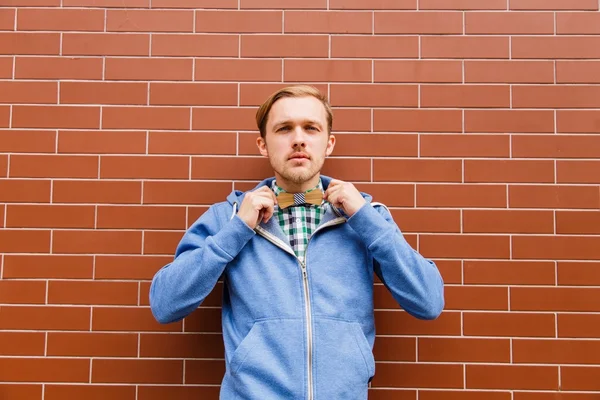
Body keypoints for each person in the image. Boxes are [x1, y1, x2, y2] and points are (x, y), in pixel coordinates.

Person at [149, 85, 445, 400]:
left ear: (329, 143)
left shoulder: (367, 218)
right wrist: (236, 231)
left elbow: (428, 301)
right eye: (284, 128)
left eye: (311, 128)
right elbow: (165, 304)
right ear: (263, 145)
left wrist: (366, 221)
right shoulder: (229, 218)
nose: (299, 139)